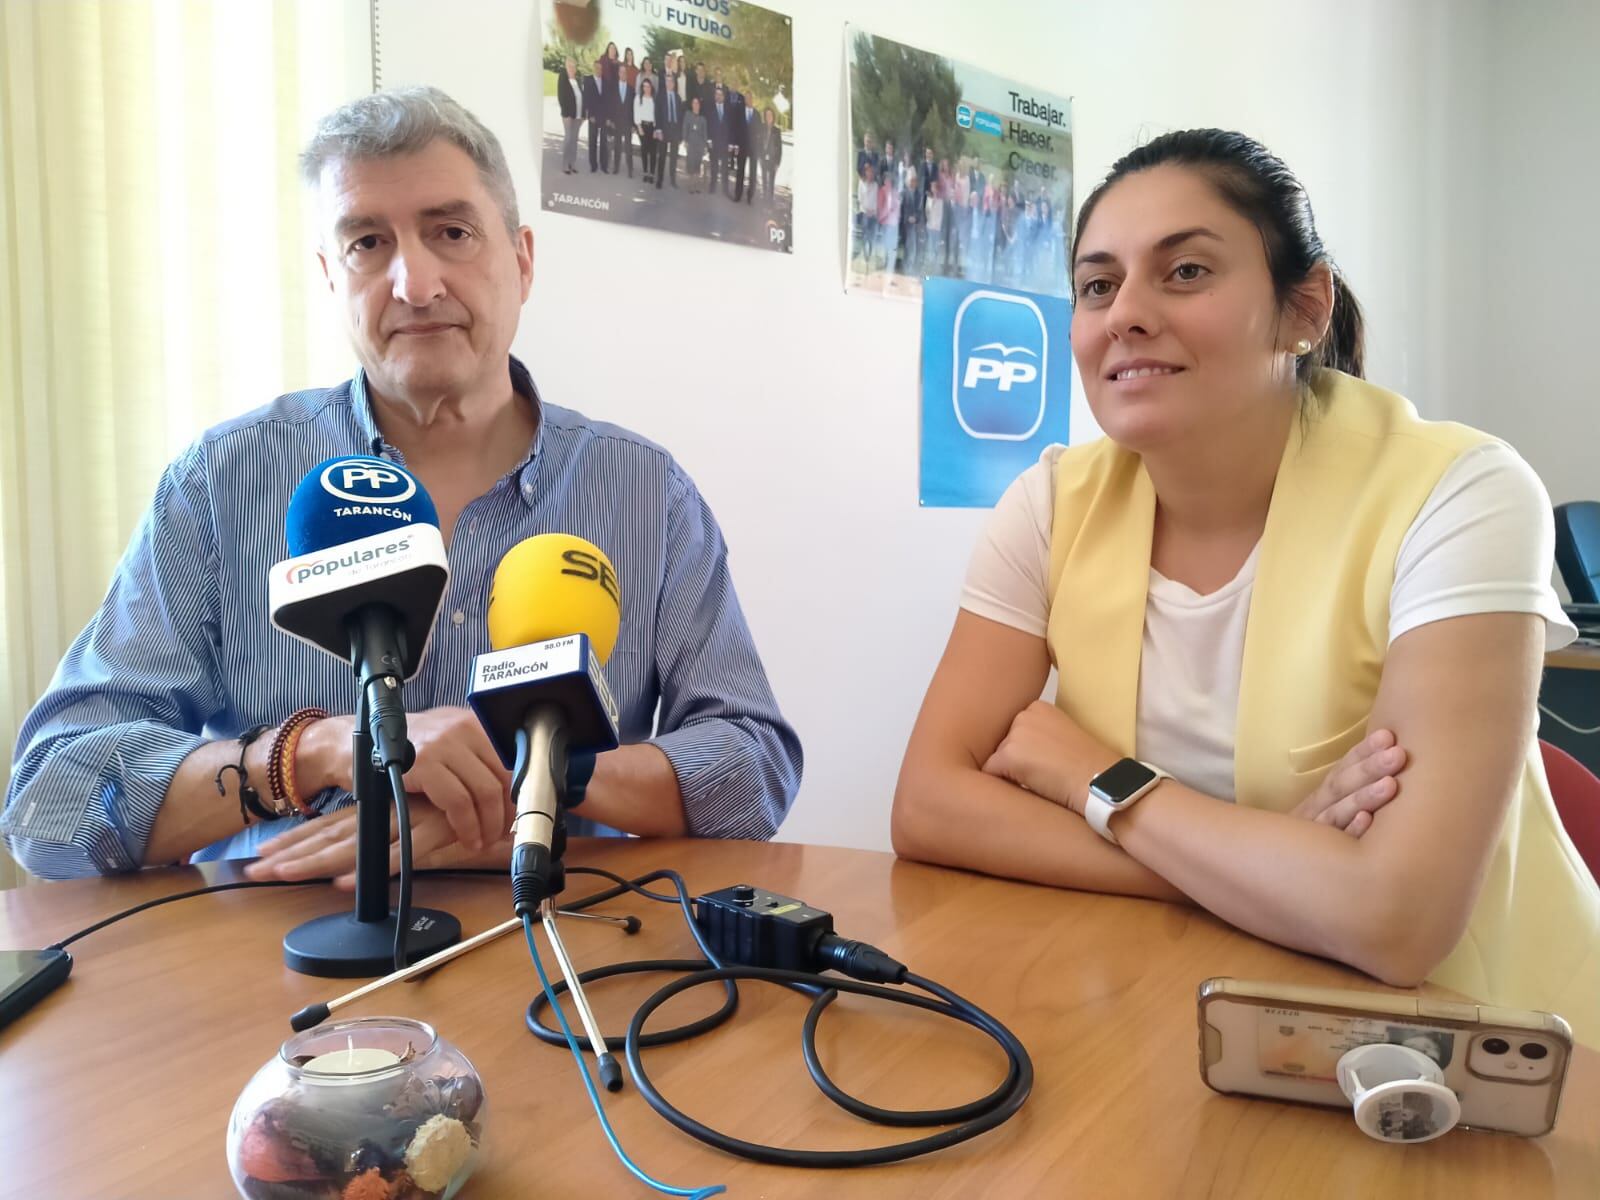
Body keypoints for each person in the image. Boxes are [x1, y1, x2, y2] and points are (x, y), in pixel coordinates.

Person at [891, 128, 1599, 1039]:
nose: (1126, 314)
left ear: (1304, 308)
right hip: (1203, 1017)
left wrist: (1095, 781)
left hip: (1498, 1047)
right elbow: (927, 805)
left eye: (1184, 272)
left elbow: (1397, 921)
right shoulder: (1051, 505)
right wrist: (1262, 866)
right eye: (1099, 285)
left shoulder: (1462, 493)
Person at [3, 86, 803, 881]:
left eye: (451, 232)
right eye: (366, 244)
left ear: (522, 261)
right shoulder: (221, 482)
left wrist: (534, 777)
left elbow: (754, 767)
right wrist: (311, 756)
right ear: (330, 275)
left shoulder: (646, 494)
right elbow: (48, 805)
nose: (414, 285)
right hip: (277, 970)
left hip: (566, 951)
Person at [654, 70, 684, 191]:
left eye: (671, 81)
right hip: (664, 130)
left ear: (674, 83)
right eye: (667, 81)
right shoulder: (660, 96)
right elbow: (657, 114)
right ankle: (659, 180)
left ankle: (673, 179)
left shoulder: (678, 97)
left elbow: (681, 116)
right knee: (661, 156)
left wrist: (681, 134)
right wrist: (658, 130)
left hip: (675, 131)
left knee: (673, 157)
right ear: (665, 83)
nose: (669, 83)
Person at [556, 56, 584, 175]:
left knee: (574, 139)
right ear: (566, 65)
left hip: (578, 114)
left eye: (573, 65)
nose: (572, 67)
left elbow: (581, 96)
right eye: (569, 65)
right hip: (568, 114)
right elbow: (561, 95)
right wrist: (565, 112)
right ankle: (565, 164)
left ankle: (572, 163)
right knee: (568, 138)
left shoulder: (577, 79)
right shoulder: (563, 76)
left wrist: (583, 114)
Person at [581, 61, 608, 173]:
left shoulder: (606, 82)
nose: (599, 70)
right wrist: (589, 115)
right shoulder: (588, 80)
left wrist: (608, 117)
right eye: (597, 68)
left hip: (604, 116)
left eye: (601, 68)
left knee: (604, 142)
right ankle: (593, 165)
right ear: (594, 68)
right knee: (592, 141)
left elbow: (608, 101)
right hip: (593, 116)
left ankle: (603, 165)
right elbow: (586, 98)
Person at [706, 84, 732, 198]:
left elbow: (732, 127)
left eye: (720, 95)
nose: (718, 96)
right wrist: (709, 140)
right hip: (714, 142)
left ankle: (725, 189)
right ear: (714, 96)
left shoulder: (729, 109)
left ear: (724, 97)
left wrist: (731, 143)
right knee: (714, 166)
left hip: (725, 143)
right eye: (716, 94)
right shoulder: (710, 109)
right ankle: (713, 186)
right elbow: (708, 126)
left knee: (725, 167)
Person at [609, 68, 635, 178]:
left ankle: (630, 168)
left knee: (629, 147)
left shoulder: (631, 89)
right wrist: (611, 120)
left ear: (626, 75)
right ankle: (616, 166)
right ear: (619, 74)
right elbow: (611, 105)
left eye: (625, 73)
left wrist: (633, 124)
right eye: (621, 72)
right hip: (617, 122)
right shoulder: (613, 88)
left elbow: (633, 108)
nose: (623, 74)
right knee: (617, 145)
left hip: (628, 122)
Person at [682, 95, 708, 194]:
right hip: (691, 142)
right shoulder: (688, 114)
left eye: (697, 103)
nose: (695, 105)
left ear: (699, 105)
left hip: (700, 144)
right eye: (694, 103)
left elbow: (705, 133)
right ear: (692, 105)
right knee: (691, 163)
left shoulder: (703, 119)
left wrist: (705, 146)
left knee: (698, 164)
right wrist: (685, 140)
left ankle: (696, 185)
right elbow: (685, 127)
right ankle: (691, 185)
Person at [635, 78, 658, 184]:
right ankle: (645, 172)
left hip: (652, 127)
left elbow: (657, 115)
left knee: (653, 152)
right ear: (642, 87)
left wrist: (656, 129)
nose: (646, 88)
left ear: (651, 87)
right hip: (642, 127)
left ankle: (651, 174)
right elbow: (636, 113)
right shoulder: (638, 98)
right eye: (644, 86)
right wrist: (639, 127)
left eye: (648, 86)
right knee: (644, 151)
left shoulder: (654, 99)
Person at [758, 106, 782, 204]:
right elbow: (759, 143)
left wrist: (777, 163)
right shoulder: (762, 127)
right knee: (764, 180)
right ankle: (764, 199)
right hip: (763, 158)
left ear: (773, 116)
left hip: (772, 160)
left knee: (771, 182)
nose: (768, 117)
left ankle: (770, 201)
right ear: (765, 116)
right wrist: (759, 156)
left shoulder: (777, 130)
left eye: (770, 115)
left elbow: (779, 148)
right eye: (767, 115)